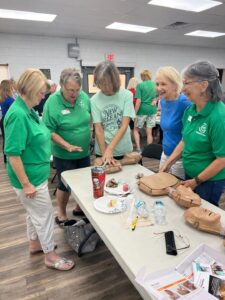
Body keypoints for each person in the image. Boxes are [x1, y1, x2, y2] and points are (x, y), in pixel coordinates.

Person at [4, 69, 74, 271]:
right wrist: (26, 184)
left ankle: (35, 244)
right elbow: (13, 154)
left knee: (33, 213)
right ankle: (50, 256)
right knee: (43, 215)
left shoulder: (29, 110)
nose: (43, 97)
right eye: (41, 93)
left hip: (37, 174)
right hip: (30, 178)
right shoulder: (18, 115)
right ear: (30, 89)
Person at [160, 61, 225, 206]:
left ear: (203, 85)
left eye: (187, 83)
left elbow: (222, 159)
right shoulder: (191, 110)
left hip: (209, 181)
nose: (183, 89)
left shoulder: (219, 117)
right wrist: (168, 162)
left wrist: (197, 181)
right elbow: (185, 141)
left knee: (202, 217)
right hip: (191, 174)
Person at [43, 68, 91, 224]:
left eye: (77, 90)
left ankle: (79, 208)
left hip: (83, 152)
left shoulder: (83, 97)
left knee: (84, 181)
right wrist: (67, 145)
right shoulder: (52, 102)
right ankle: (62, 214)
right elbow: (49, 130)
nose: (74, 94)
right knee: (64, 185)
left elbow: (89, 116)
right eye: (70, 90)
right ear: (62, 86)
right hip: (64, 153)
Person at [91, 61, 135, 165]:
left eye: (107, 84)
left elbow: (124, 125)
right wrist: (104, 153)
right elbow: (98, 129)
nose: (104, 88)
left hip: (123, 148)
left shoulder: (127, 95)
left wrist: (110, 149)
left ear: (114, 80)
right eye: (100, 84)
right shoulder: (94, 100)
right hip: (102, 148)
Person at [155, 66, 191, 179]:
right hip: (165, 153)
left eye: (163, 84)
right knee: (160, 183)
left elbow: (188, 137)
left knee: (174, 191)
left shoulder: (185, 103)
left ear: (175, 84)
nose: (159, 88)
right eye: (157, 84)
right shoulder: (164, 101)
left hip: (179, 158)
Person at [133, 69, 157, 153]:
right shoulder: (155, 85)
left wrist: (134, 113)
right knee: (149, 131)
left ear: (142, 77)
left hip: (142, 110)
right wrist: (155, 100)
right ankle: (149, 150)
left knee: (136, 130)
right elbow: (157, 97)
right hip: (152, 110)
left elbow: (138, 101)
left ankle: (138, 149)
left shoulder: (140, 85)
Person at [0, 80, 14, 163]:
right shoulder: (9, 99)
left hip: (3, 120)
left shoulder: (1, 98)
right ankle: (10, 158)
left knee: (5, 139)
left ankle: (5, 158)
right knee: (10, 139)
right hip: (8, 120)